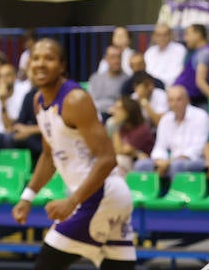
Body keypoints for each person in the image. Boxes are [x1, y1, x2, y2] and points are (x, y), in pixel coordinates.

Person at [13, 38, 136, 269]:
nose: (40, 64)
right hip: (106, 198)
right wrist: (27, 197)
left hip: (101, 196)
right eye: (36, 58)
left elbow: (108, 159)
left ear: (62, 66)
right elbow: (49, 156)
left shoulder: (75, 99)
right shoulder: (39, 100)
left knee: (46, 264)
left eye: (48, 58)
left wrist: (72, 202)